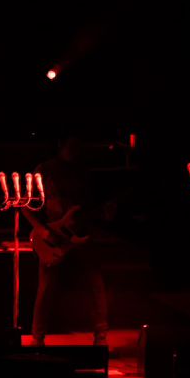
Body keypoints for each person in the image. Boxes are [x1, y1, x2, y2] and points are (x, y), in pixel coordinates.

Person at [22, 136, 111, 348]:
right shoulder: (45, 170)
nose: (76, 150)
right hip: (54, 236)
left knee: (95, 284)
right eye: (72, 145)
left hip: (80, 234)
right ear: (61, 146)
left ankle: (101, 336)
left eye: (78, 146)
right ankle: (37, 337)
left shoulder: (84, 171)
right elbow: (26, 205)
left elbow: (92, 207)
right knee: (46, 288)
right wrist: (42, 230)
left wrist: (104, 213)